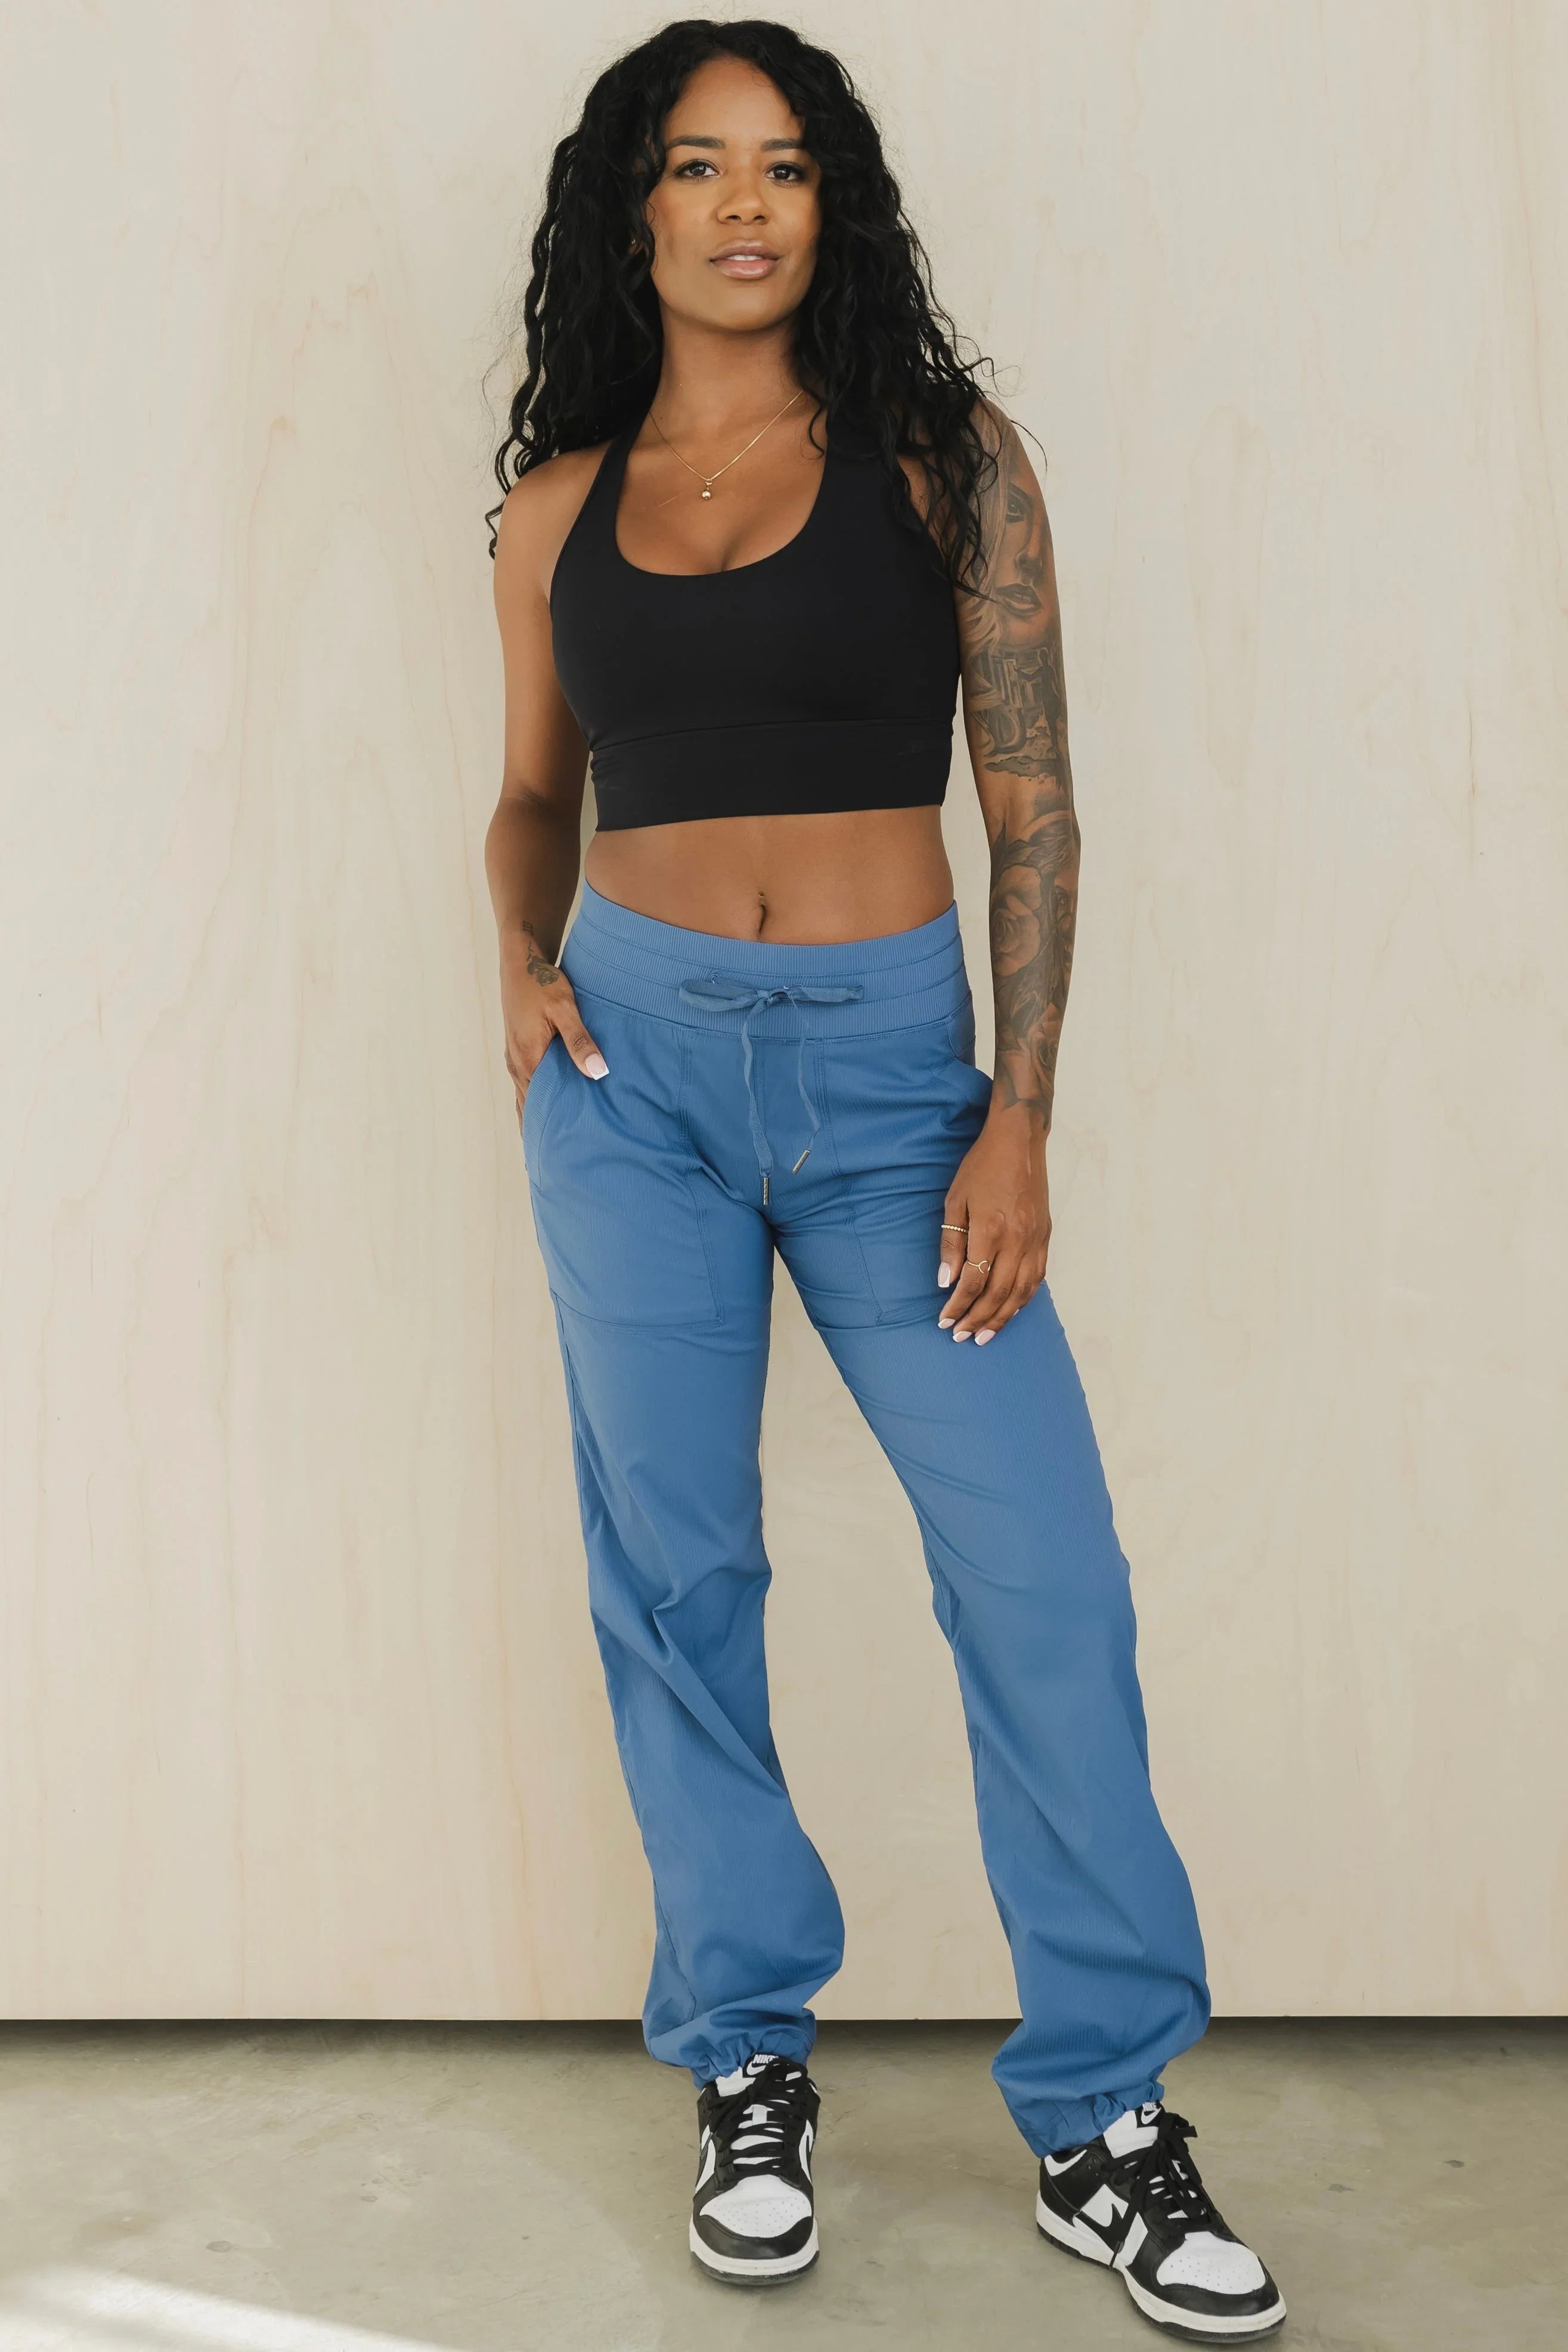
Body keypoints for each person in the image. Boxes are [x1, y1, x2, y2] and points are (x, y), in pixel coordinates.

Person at [484, 18, 1284, 2339]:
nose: (749, 203)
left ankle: (1102, 2114)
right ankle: (745, 2058)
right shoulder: (550, 509)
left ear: (835, 209)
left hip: (891, 1094)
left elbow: (1029, 807)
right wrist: (514, 969)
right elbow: (532, 791)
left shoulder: (941, 465)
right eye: (701, 164)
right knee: (676, 1578)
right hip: (627, 1084)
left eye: (792, 166)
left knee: (1043, 1580)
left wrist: (1016, 1106)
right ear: (629, 207)